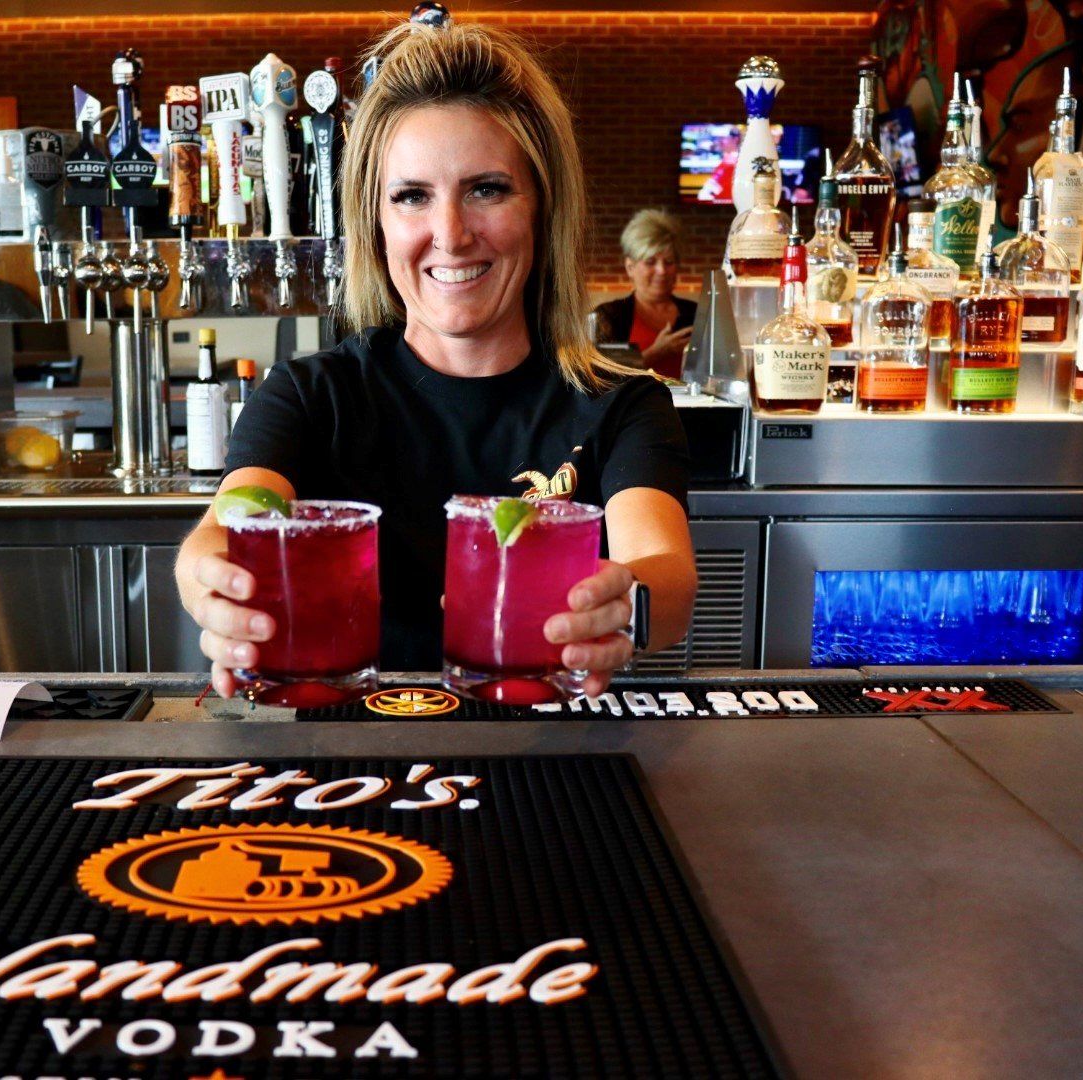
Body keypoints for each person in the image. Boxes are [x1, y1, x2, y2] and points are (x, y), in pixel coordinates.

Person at [175, 19, 698, 701]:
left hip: (549, 759)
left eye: (487, 188)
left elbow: (665, 571)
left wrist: (626, 602)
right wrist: (211, 579)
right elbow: (229, 519)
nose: (449, 234)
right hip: (346, 759)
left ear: (543, 207)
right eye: (412, 195)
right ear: (378, 221)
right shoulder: (310, 394)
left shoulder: (619, 404)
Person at [591, 209, 697, 380]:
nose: (661, 270)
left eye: (669, 262)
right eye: (650, 262)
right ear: (630, 267)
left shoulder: (697, 314)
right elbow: (599, 375)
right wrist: (657, 352)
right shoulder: (608, 316)